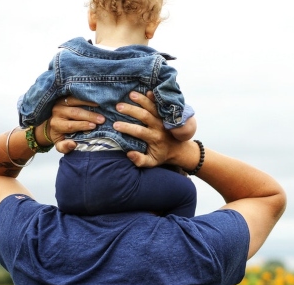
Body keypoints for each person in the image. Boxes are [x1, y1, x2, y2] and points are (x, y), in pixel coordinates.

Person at [0, 91, 286, 285]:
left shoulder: (34, 238)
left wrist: (43, 133)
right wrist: (182, 151)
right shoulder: (202, 248)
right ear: (171, 177)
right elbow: (266, 196)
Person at [17, 0, 197, 217]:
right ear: (152, 27)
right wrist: (188, 119)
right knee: (185, 192)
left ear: (92, 19)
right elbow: (181, 128)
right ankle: (171, 245)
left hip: (68, 184)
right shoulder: (155, 68)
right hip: (120, 178)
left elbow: (28, 114)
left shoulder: (63, 62)